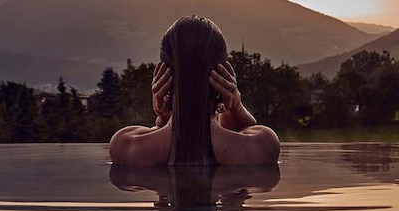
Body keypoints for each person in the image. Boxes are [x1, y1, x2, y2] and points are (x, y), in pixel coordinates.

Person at [109, 15, 280, 166]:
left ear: (164, 78)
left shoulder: (125, 146)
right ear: (224, 74)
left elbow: (168, 139)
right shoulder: (264, 145)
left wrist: (164, 116)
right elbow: (241, 135)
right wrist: (234, 106)